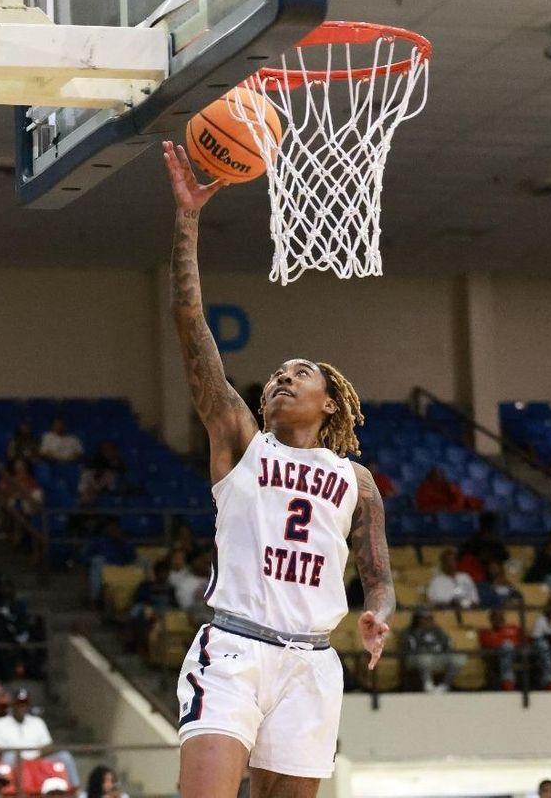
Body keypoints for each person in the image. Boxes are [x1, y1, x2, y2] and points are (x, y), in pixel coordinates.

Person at [163, 139, 392, 796]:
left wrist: (379, 612)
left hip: (312, 663)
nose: (283, 379)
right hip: (233, 650)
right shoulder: (240, 438)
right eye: (277, 375)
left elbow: (378, 576)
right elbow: (189, 324)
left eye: (302, 374)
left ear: (331, 401)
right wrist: (187, 220)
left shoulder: (357, 480)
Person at [0, 690, 79, 788]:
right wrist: (18, 757)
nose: (22, 707)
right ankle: (15, 793)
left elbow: (49, 746)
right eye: (19, 704)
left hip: (38, 759)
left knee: (65, 756)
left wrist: (34, 758)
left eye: (24, 704)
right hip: (14, 762)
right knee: (9, 756)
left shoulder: (37, 722)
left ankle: (76, 790)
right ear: (12, 705)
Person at [477, 609, 551, 691]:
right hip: (501, 655)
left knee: (542, 644)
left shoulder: (513, 628)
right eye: (495, 617)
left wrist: (524, 646)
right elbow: (490, 645)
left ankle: (549, 680)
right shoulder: (486, 632)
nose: (498, 619)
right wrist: (510, 645)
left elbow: (527, 640)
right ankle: (508, 682)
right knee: (507, 645)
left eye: (500, 617)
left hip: (522, 652)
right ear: (491, 620)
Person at [402, 609, 465, 693]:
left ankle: (445, 685)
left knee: (458, 658)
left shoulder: (438, 630)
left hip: (438, 656)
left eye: (430, 618)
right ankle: (428, 684)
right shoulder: (410, 632)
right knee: (424, 658)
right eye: (425, 618)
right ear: (418, 619)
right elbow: (412, 649)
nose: (428, 621)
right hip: (417, 658)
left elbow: (448, 645)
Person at [130, 559, 179, 656]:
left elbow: (175, 605)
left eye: (166, 572)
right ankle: (141, 644)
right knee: (140, 611)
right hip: (148, 610)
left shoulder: (170, 589)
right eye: (161, 572)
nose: (164, 575)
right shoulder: (146, 585)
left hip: (166, 612)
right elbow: (139, 600)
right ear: (156, 572)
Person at [82, 520, 137, 604]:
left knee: (144, 561)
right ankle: (96, 597)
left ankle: (146, 594)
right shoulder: (97, 542)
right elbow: (85, 559)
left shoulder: (124, 542)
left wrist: (121, 542)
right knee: (97, 560)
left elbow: (132, 557)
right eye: (110, 527)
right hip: (105, 570)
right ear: (105, 529)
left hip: (123, 569)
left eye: (115, 528)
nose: (113, 530)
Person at [414, 468, 481, 513]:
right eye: (435, 475)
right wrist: (441, 508)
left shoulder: (448, 485)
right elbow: (423, 505)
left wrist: (451, 489)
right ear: (430, 477)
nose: (437, 477)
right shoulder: (424, 488)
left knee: (476, 504)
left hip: (452, 509)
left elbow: (458, 499)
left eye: (439, 475)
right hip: (436, 512)